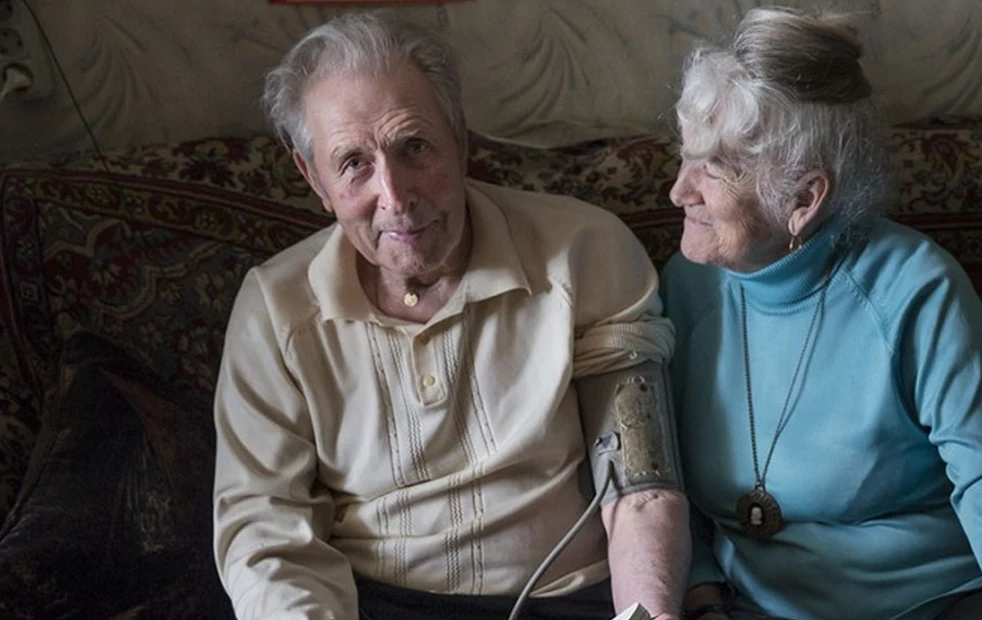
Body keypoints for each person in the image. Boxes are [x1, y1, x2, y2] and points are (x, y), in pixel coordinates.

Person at [212, 12, 686, 620]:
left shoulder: (584, 250)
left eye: (415, 146)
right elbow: (265, 538)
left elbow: (641, 486)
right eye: (354, 162)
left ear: (461, 140)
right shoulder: (274, 312)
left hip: (570, 600)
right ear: (314, 179)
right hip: (374, 604)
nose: (396, 195)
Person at [659, 7, 982, 620]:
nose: (678, 190)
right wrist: (699, 595)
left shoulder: (917, 289)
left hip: (935, 602)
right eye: (685, 155)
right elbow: (660, 480)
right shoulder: (686, 284)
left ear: (803, 198)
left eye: (713, 170)